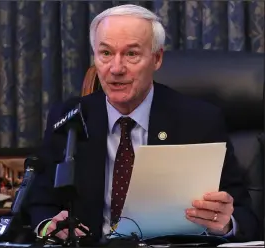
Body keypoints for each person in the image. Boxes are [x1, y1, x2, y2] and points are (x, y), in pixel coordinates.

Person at [27, 4, 258, 244]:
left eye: (131, 54)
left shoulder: (199, 120)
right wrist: (48, 225)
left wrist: (227, 223)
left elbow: (246, 217)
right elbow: (38, 203)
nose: (116, 69)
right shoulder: (71, 117)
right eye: (105, 53)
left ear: (156, 59)